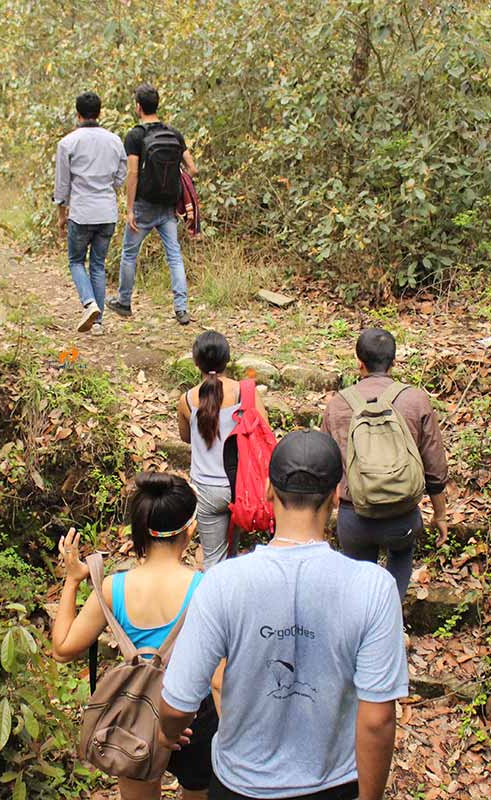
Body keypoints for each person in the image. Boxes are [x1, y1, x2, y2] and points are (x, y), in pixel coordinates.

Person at [158, 431, 408, 800]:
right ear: (336, 496)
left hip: (239, 784)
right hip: (333, 785)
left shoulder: (223, 582)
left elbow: (177, 703)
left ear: (268, 491)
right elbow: (378, 719)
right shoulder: (373, 587)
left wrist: (167, 731)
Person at [52, 472, 218, 799]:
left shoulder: (114, 587)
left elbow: (62, 648)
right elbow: (220, 676)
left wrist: (72, 581)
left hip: (135, 715)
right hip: (192, 716)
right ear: (190, 530)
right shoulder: (206, 589)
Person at [320, 328, 449, 599]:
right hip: (402, 516)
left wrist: (323, 517)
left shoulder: (338, 405)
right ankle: (390, 619)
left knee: (357, 583)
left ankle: (361, 631)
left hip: (354, 515)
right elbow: (434, 464)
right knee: (401, 558)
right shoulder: (415, 399)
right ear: (394, 362)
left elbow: (325, 468)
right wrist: (439, 515)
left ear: (359, 362)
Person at [106, 83, 198, 326]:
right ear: (157, 104)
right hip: (168, 207)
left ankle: (124, 302)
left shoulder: (136, 135)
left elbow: (133, 174)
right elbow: (193, 168)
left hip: (144, 206)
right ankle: (181, 309)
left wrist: (129, 209)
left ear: (138, 107)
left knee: (129, 253)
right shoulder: (174, 134)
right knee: (174, 255)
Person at [177, 331, 269, 570]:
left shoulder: (186, 400)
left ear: (196, 362)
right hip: (241, 485)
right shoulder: (245, 392)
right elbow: (264, 433)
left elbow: (186, 437)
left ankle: (214, 602)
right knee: (233, 552)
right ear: (228, 359)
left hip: (206, 490)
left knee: (213, 561)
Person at [54, 90, 127, 336]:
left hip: (82, 212)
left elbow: (62, 183)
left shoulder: (68, 143)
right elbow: (121, 174)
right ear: (99, 113)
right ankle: (97, 323)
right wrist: (108, 188)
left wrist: (61, 213)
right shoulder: (115, 140)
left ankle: (89, 303)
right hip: (107, 212)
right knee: (98, 264)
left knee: (76, 261)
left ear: (77, 114)